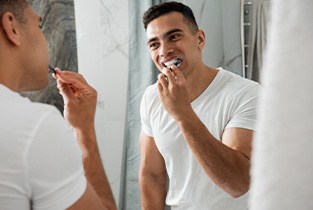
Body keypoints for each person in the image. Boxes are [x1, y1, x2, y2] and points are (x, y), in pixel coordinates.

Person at [139, 2, 260, 210]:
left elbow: (238, 183)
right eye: (154, 44)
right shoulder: (152, 97)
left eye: (174, 36)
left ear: (200, 39)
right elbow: (152, 175)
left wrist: (183, 114)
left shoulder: (246, 94)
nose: (164, 51)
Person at [0, 1, 116, 209]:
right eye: (40, 27)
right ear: (12, 28)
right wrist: (84, 130)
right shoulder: (35, 126)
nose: (47, 43)